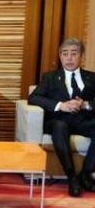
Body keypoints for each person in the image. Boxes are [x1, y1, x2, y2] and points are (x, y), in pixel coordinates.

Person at [28, 38, 95, 198]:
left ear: (81, 56)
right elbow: (33, 97)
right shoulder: (50, 77)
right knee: (60, 127)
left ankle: (86, 173)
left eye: (74, 53)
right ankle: (72, 177)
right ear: (60, 56)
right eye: (65, 54)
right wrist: (60, 105)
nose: (69, 58)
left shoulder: (92, 77)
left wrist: (86, 104)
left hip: (83, 119)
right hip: (59, 120)